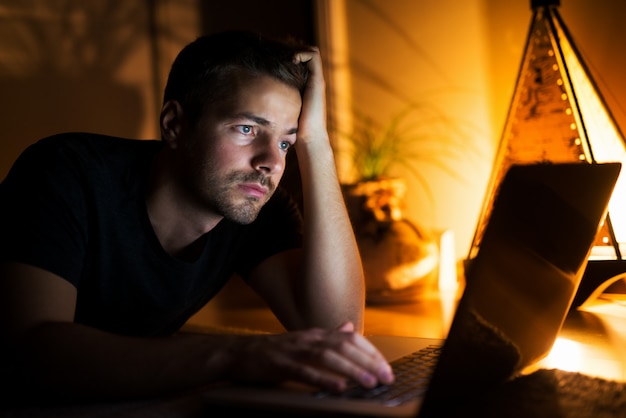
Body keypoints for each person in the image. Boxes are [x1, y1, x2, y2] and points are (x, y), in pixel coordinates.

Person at [0, 30, 394, 405]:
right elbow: (29, 351)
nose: (271, 163)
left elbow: (337, 333)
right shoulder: (64, 172)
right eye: (246, 128)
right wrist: (232, 356)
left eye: (286, 142)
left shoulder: (256, 206)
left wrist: (317, 142)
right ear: (174, 124)